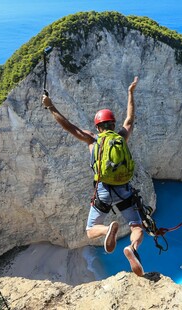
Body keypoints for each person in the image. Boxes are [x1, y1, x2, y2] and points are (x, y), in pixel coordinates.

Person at [42, 76, 144, 276]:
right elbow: (130, 120)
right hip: (124, 189)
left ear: (98, 127)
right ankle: (132, 249)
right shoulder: (121, 136)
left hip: (103, 190)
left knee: (91, 230)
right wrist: (130, 93)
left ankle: (107, 231)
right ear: (113, 125)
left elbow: (70, 127)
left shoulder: (92, 140)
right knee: (137, 226)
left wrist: (50, 106)